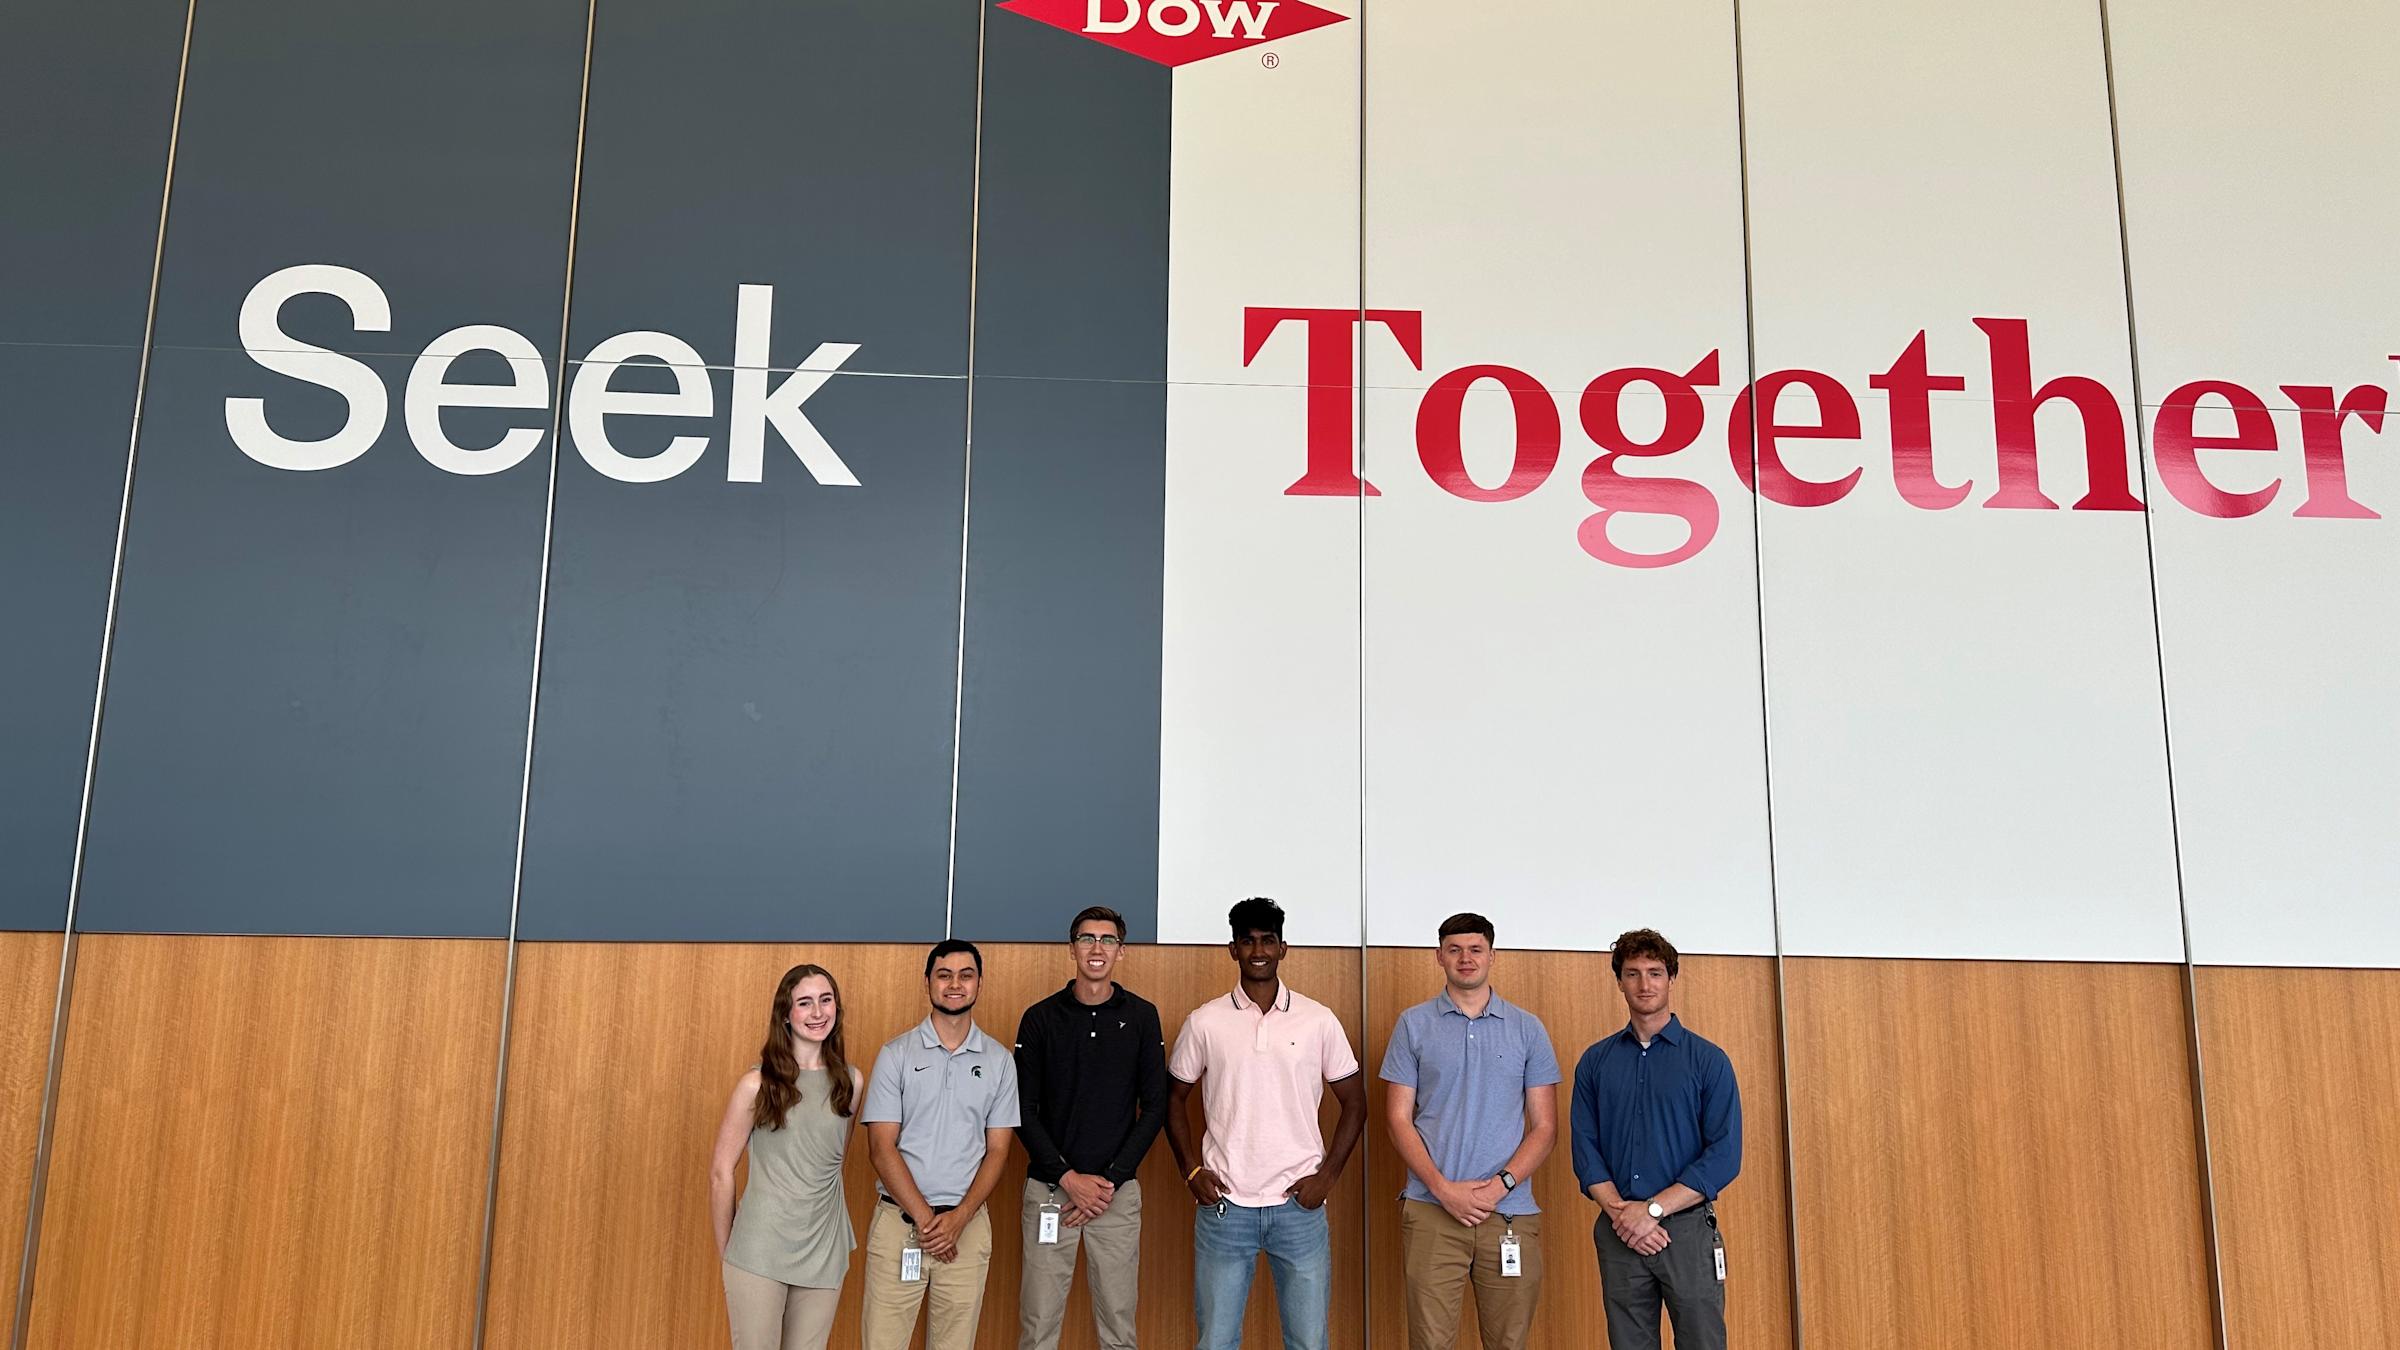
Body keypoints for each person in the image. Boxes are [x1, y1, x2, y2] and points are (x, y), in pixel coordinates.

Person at [1166, 896, 1367, 1350]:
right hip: (1224, 1207)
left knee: (1308, 1341)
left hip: (1299, 1207)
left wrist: (1327, 1177)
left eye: (1268, 941)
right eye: (1248, 941)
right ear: (1232, 949)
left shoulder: (1318, 1020)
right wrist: (1191, 1171)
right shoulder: (1205, 1021)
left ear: (1283, 948)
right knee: (1216, 1340)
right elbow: (1173, 1098)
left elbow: (1355, 1102)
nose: (1258, 950)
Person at [1380, 912, 1561, 1350]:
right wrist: (1444, 1190)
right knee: (1430, 1343)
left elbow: (1545, 1127)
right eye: (1455, 949)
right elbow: (1397, 1119)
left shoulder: (1527, 1029)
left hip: (1509, 1213)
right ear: (1439, 956)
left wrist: (1499, 1187)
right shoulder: (1413, 1025)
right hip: (1431, 1210)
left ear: (1492, 956)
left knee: (1508, 1343)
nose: (1466, 958)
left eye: (1476, 949)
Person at [1570, 928, 1742, 1350]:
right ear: (1619, 981)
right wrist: (1624, 1216)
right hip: (1619, 1231)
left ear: (1671, 979)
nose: (1644, 984)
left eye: (1655, 972)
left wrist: (1653, 1210)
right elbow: (1585, 1149)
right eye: (1633, 973)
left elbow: (1723, 1155)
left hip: (1685, 1231)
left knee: (1702, 1342)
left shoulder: (1708, 1060)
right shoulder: (1596, 1062)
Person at [1013, 905, 1169, 1350]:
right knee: (1038, 1325)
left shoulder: (1142, 1017)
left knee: (1119, 1327)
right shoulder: (1040, 1018)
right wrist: (1067, 1178)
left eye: (1106, 940)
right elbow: (1023, 1108)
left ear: (1121, 951)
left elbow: (1154, 1107)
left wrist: (1108, 1183)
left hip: (1115, 1196)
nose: (1096, 948)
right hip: (1050, 1192)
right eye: (1087, 939)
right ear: (1072, 948)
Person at [861, 940, 1020, 1350]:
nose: (955, 984)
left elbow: (999, 1150)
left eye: (965, 975)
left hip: (966, 1230)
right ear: (928, 982)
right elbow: (881, 1147)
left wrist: (959, 1218)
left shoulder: (1000, 1061)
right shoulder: (895, 1054)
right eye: (944, 975)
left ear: (979, 984)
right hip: (901, 1228)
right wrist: (928, 1222)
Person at [709, 963, 863, 1350]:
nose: (817, 1013)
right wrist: (729, 1251)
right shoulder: (756, 1084)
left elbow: (833, 1163)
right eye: (805, 1003)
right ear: (786, 1015)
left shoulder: (851, 1081)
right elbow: (721, 1172)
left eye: (825, 1001)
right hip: (759, 1249)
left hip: (823, 1250)